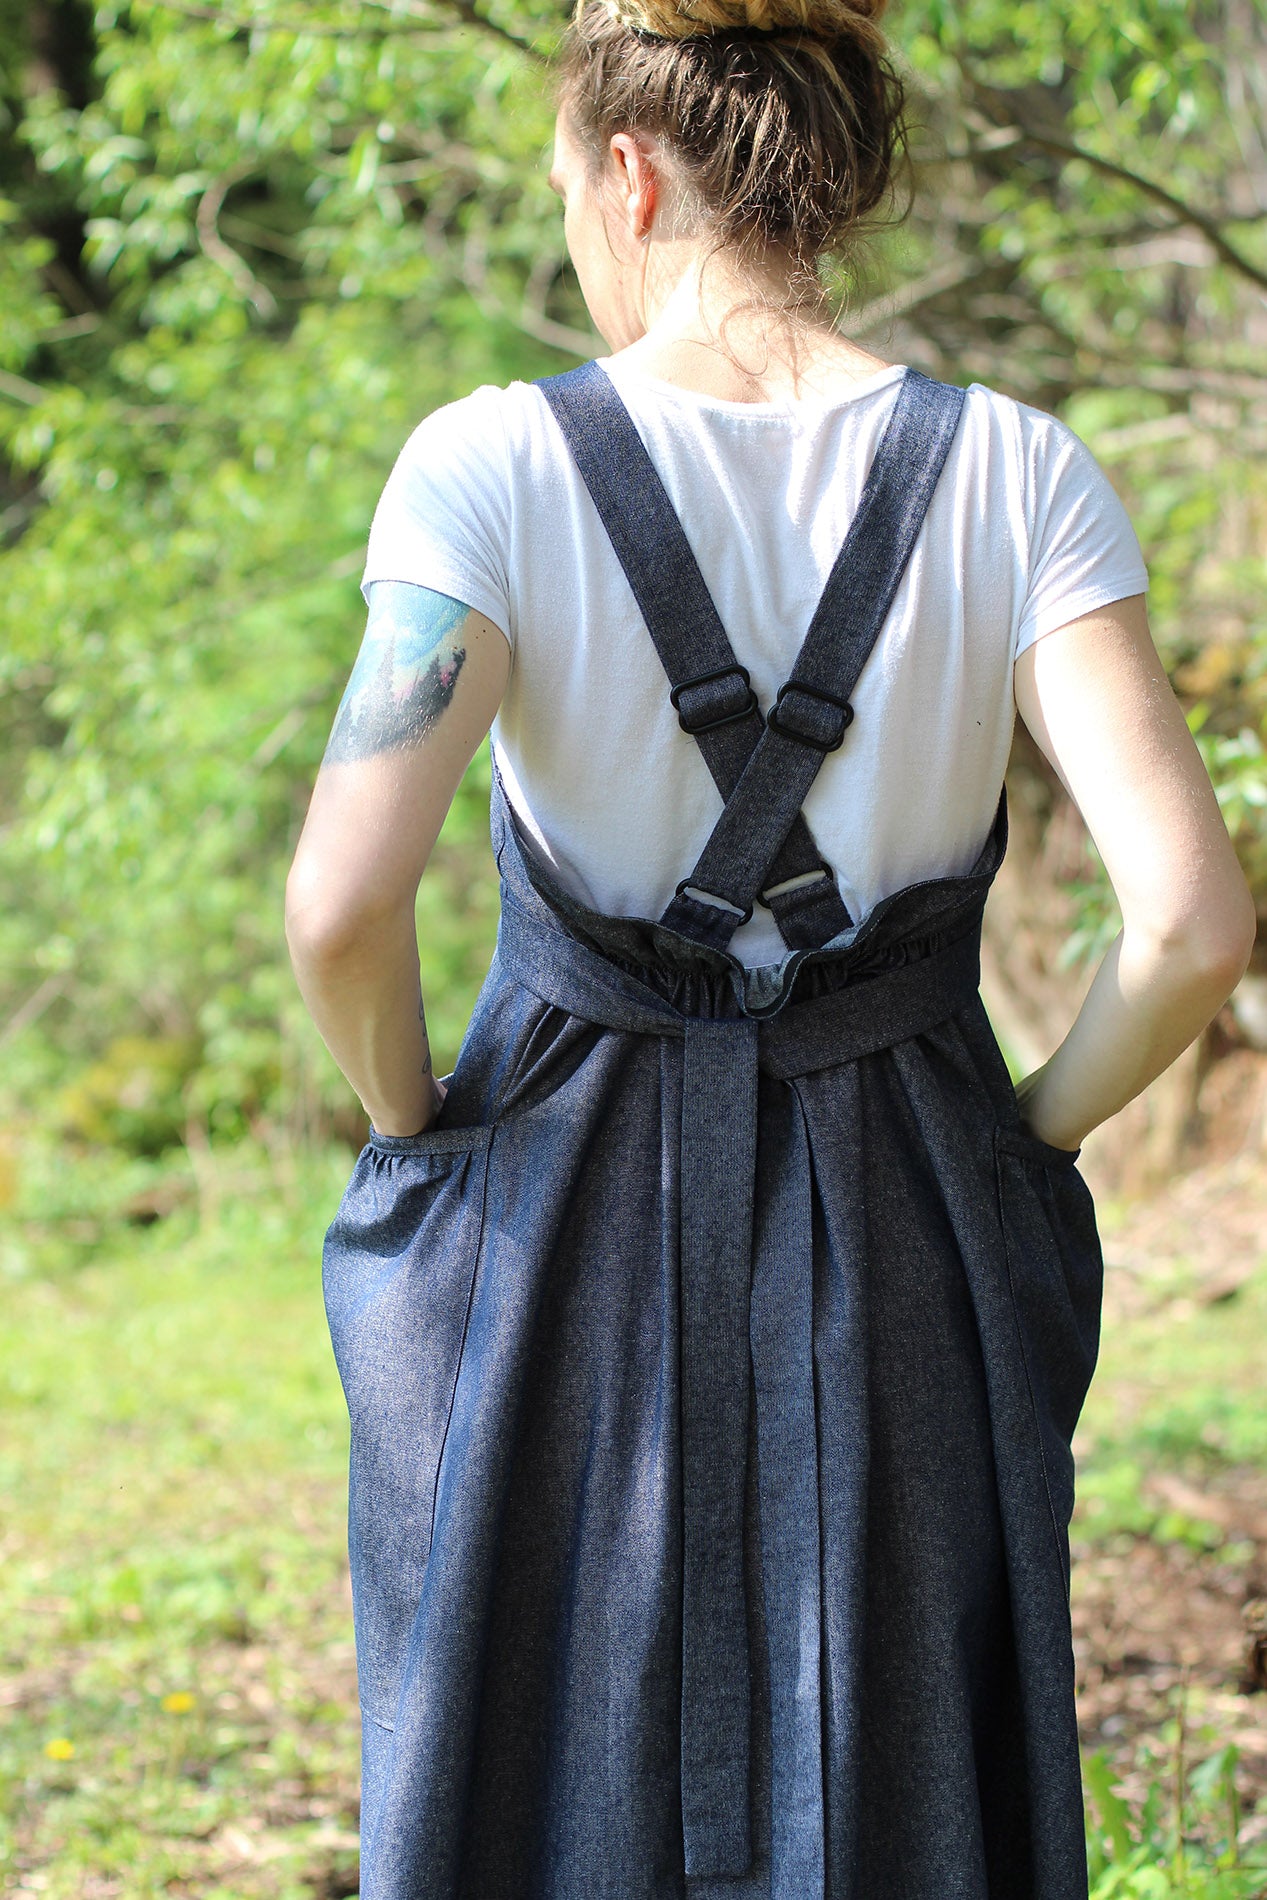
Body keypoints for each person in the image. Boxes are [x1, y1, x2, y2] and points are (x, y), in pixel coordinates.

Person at [284, 0, 1256, 1892]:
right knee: (895, 1759)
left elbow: (338, 903)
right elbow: (1198, 927)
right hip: (908, 1200)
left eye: (572, 192)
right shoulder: (1018, 472)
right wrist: (1021, 1137)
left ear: (629, 170)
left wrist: (421, 1136)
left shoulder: (490, 466)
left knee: (527, 1747)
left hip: (557, 1203)